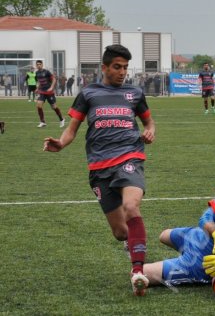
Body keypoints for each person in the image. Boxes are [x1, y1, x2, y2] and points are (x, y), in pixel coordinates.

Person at [43, 44, 156, 296]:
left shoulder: (134, 93)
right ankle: (134, 245)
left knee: (131, 207)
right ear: (104, 67)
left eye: (125, 67)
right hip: (99, 166)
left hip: (130, 156)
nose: (122, 72)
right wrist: (61, 143)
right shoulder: (88, 93)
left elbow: (148, 120)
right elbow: (72, 129)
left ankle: (138, 270)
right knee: (119, 232)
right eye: (117, 67)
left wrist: (149, 131)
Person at [34, 60, 65, 128]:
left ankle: (62, 119)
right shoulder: (36, 73)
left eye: (40, 64)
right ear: (36, 65)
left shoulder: (46, 72)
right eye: (37, 64)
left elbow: (54, 79)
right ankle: (42, 122)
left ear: (42, 65)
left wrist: (51, 87)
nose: (38, 65)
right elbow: (40, 82)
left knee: (53, 107)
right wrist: (37, 88)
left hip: (49, 92)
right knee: (39, 105)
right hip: (42, 91)